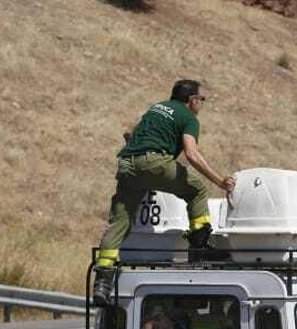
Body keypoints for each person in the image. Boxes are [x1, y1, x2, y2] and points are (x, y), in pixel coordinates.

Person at [93, 79, 236, 306]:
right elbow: (191, 154)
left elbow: (130, 133)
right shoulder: (188, 117)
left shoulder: (156, 107)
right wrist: (219, 180)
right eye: (202, 99)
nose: (202, 104)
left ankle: (102, 282)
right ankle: (199, 246)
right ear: (192, 100)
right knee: (196, 188)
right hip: (154, 163)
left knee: (119, 223)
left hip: (127, 165)